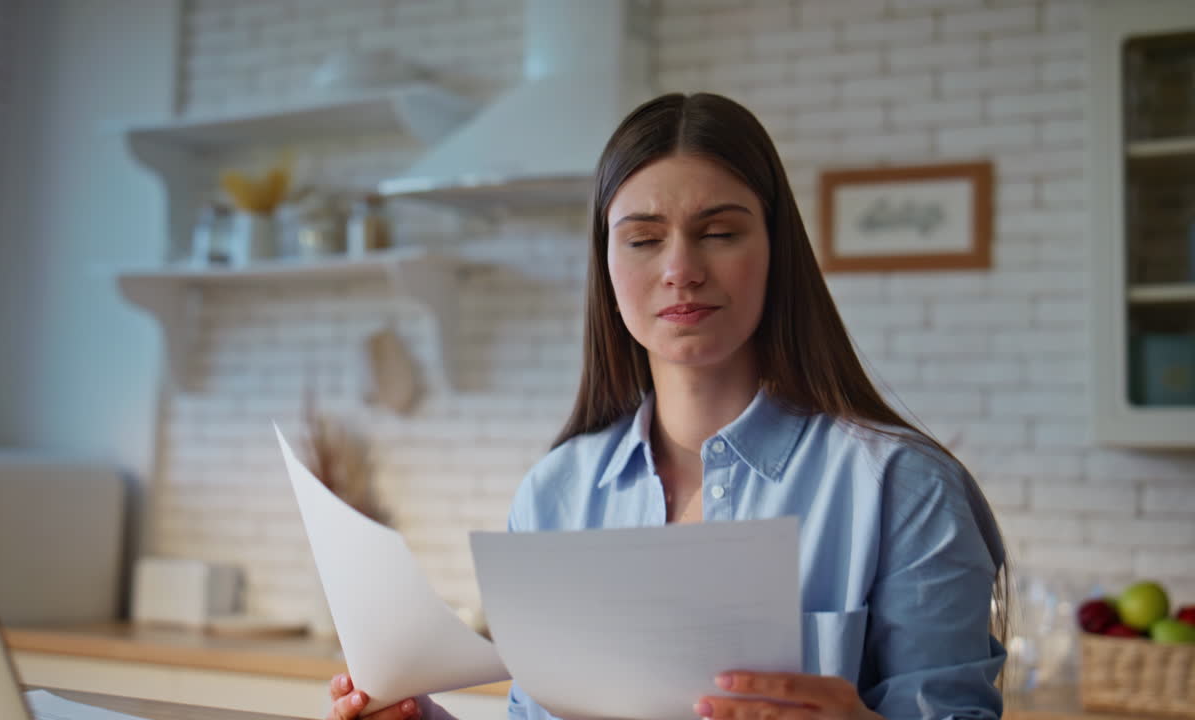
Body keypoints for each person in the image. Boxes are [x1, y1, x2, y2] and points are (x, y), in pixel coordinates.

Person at [324, 92, 1008, 720]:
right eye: (645, 239)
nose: (681, 268)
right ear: (608, 266)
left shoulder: (905, 489)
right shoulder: (554, 494)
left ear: (776, 251)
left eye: (719, 232)